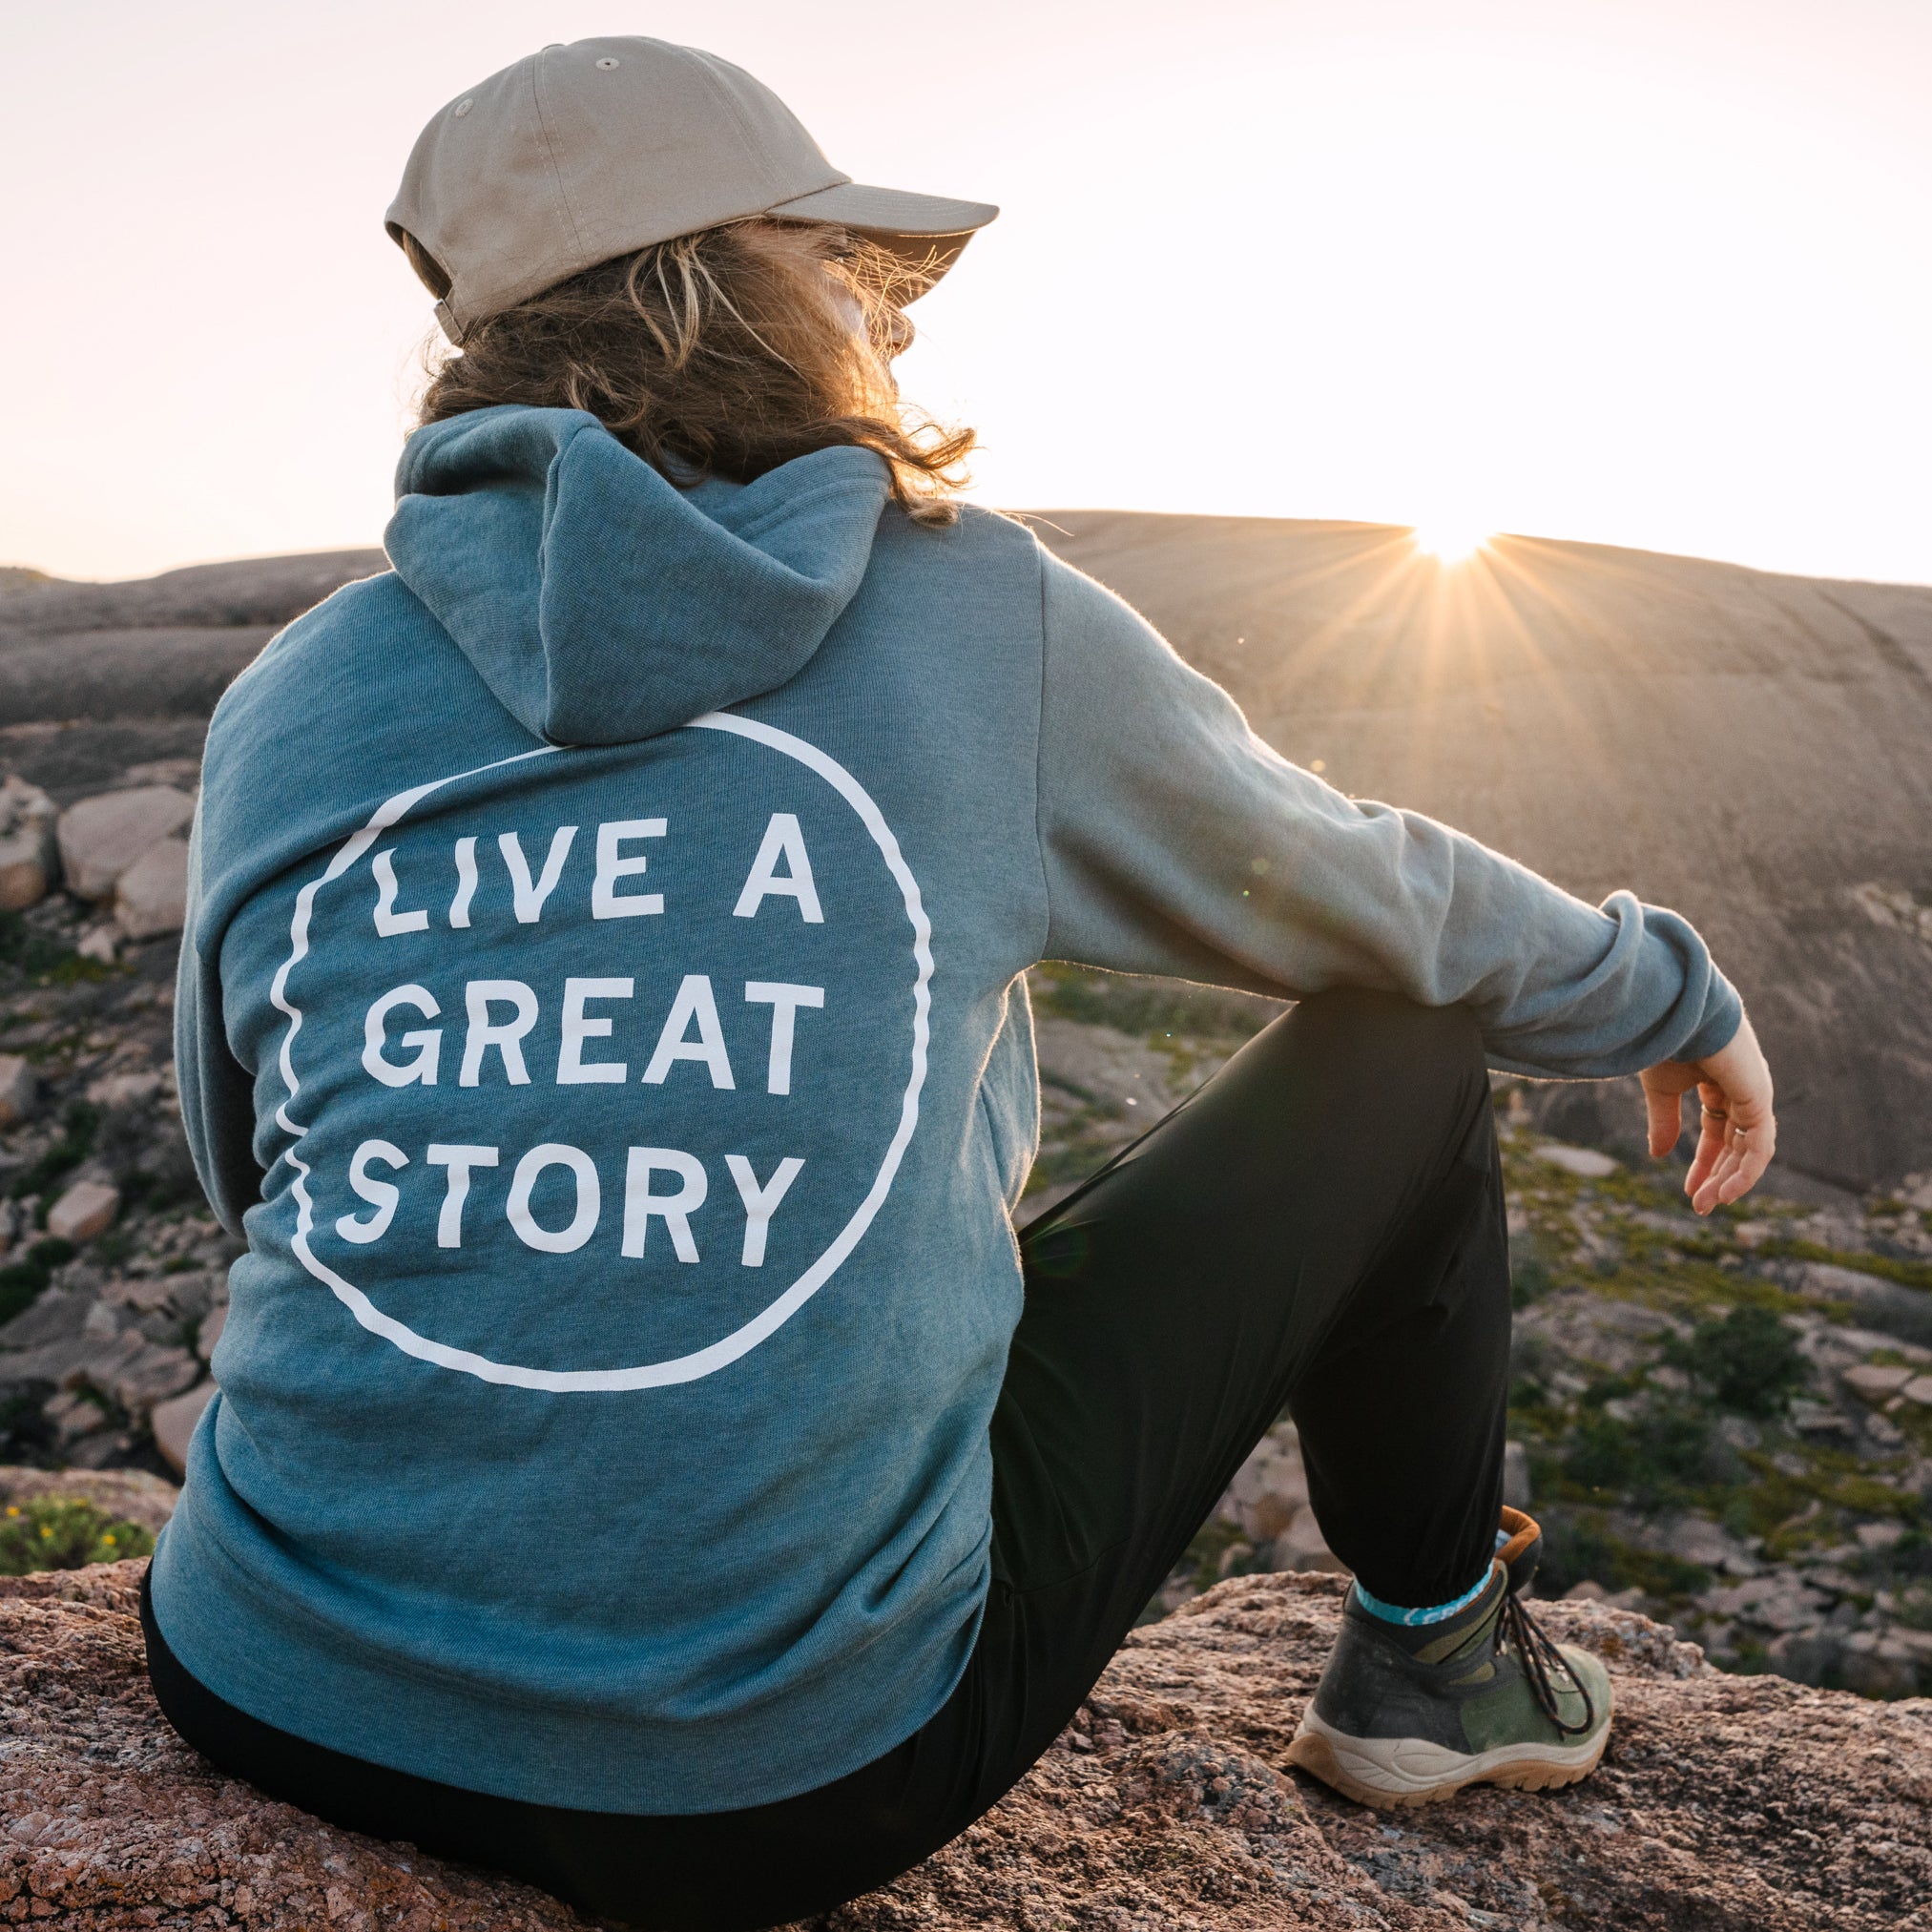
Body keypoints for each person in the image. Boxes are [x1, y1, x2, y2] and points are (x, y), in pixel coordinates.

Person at [142, 34, 1777, 1931]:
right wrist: (1665, 989)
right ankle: (1432, 1660)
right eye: (848, 269)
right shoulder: (960, 609)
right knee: (1405, 1054)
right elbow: (1369, 897)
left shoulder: (295, 694)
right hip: (763, 1779)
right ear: (721, 283)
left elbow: (255, 1162)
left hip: (259, 1676)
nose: (890, 325)